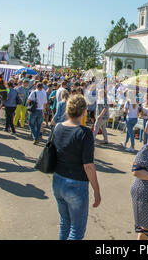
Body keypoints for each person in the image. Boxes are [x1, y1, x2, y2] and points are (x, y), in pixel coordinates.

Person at [52, 95, 101, 240]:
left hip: (58, 180)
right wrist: (96, 190)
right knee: (76, 230)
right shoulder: (84, 133)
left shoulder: (58, 128)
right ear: (84, 111)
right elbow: (88, 166)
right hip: (76, 183)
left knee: (65, 223)